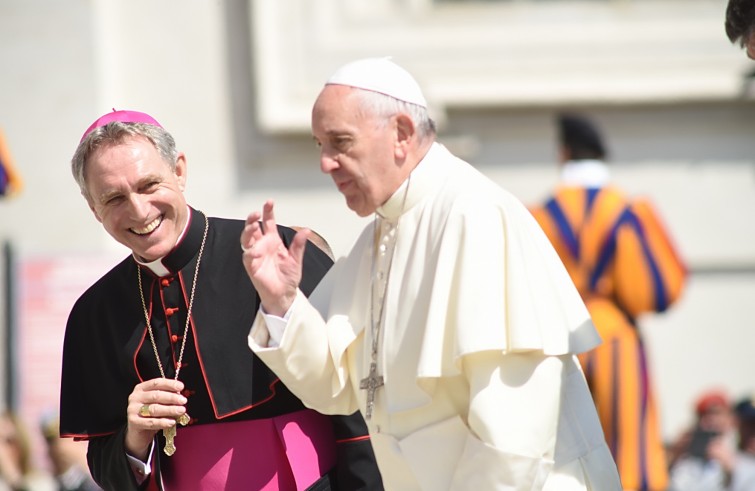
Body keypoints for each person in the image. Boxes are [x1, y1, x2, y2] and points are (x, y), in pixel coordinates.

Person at [241, 57, 623, 490]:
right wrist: (283, 302)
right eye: (319, 146)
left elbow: (513, 431)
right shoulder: (376, 238)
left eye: (340, 142)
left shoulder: (475, 215)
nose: (326, 163)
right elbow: (336, 385)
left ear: (401, 134)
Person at [59, 110, 383, 490]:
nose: (139, 210)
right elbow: (103, 459)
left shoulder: (272, 253)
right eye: (114, 197)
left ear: (179, 171)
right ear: (93, 207)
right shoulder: (92, 313)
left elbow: (356, 400)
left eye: (149, 185)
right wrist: (135, 437)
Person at [529, 112, 687, 491]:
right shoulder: (627, 211)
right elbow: (660, 291)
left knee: (563, 452)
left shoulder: (540, 215)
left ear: (563, 153)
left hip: (561, 342)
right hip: (616, 337)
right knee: (631, 449)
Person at [668, 394, 755, 491]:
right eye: (704, 415)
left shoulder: (742, 458)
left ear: (731, 419)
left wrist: (733, 470)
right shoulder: (686, 457)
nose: (711, 420)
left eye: (717, 413)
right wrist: (673, 458)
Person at [39, 412, 100, 491]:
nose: (59, 447)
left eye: (64, 438)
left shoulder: (95, 479)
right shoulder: (46, 484)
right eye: (52, 441)